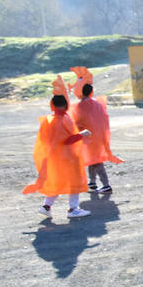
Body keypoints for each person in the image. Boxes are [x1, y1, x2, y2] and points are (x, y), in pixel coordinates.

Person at [24, 86, 92, 219]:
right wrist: (82, 134)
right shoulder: (64, 119)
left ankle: (46, 206)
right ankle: (73, 209)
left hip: (53, 157)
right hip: (67, 157)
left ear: (52, 105)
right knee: (74, 182)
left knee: (58, 181)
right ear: (66, 105)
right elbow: (66, 140)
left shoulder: (48, 120)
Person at [71, 82, 123, 193]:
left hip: (88, 137)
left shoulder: (80, 106)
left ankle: (106, 185)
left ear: (81, 93)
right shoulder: (98, 104)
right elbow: (103, 119)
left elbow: (75, 121)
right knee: (93, 159)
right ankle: (92, 183)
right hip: (99, 136)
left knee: (96, 161)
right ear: (91, 92)